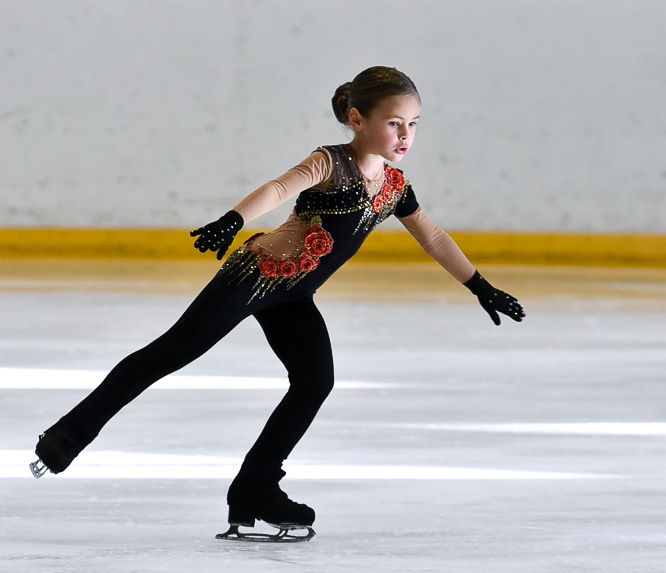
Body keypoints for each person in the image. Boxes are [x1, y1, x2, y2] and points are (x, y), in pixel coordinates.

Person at [31, 66, 525, 533]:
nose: (405, 136)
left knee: (315, 381)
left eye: (413, 124)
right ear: (357, 119)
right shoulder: (333, 162)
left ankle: (255, 488)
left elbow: (433, 237)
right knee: (174, 351)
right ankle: (67, 437)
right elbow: (279, 187)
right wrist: (233, 219)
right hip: (256, 274)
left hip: (295, 294)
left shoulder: (394, 187)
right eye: (394, 123)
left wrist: (480, 285)